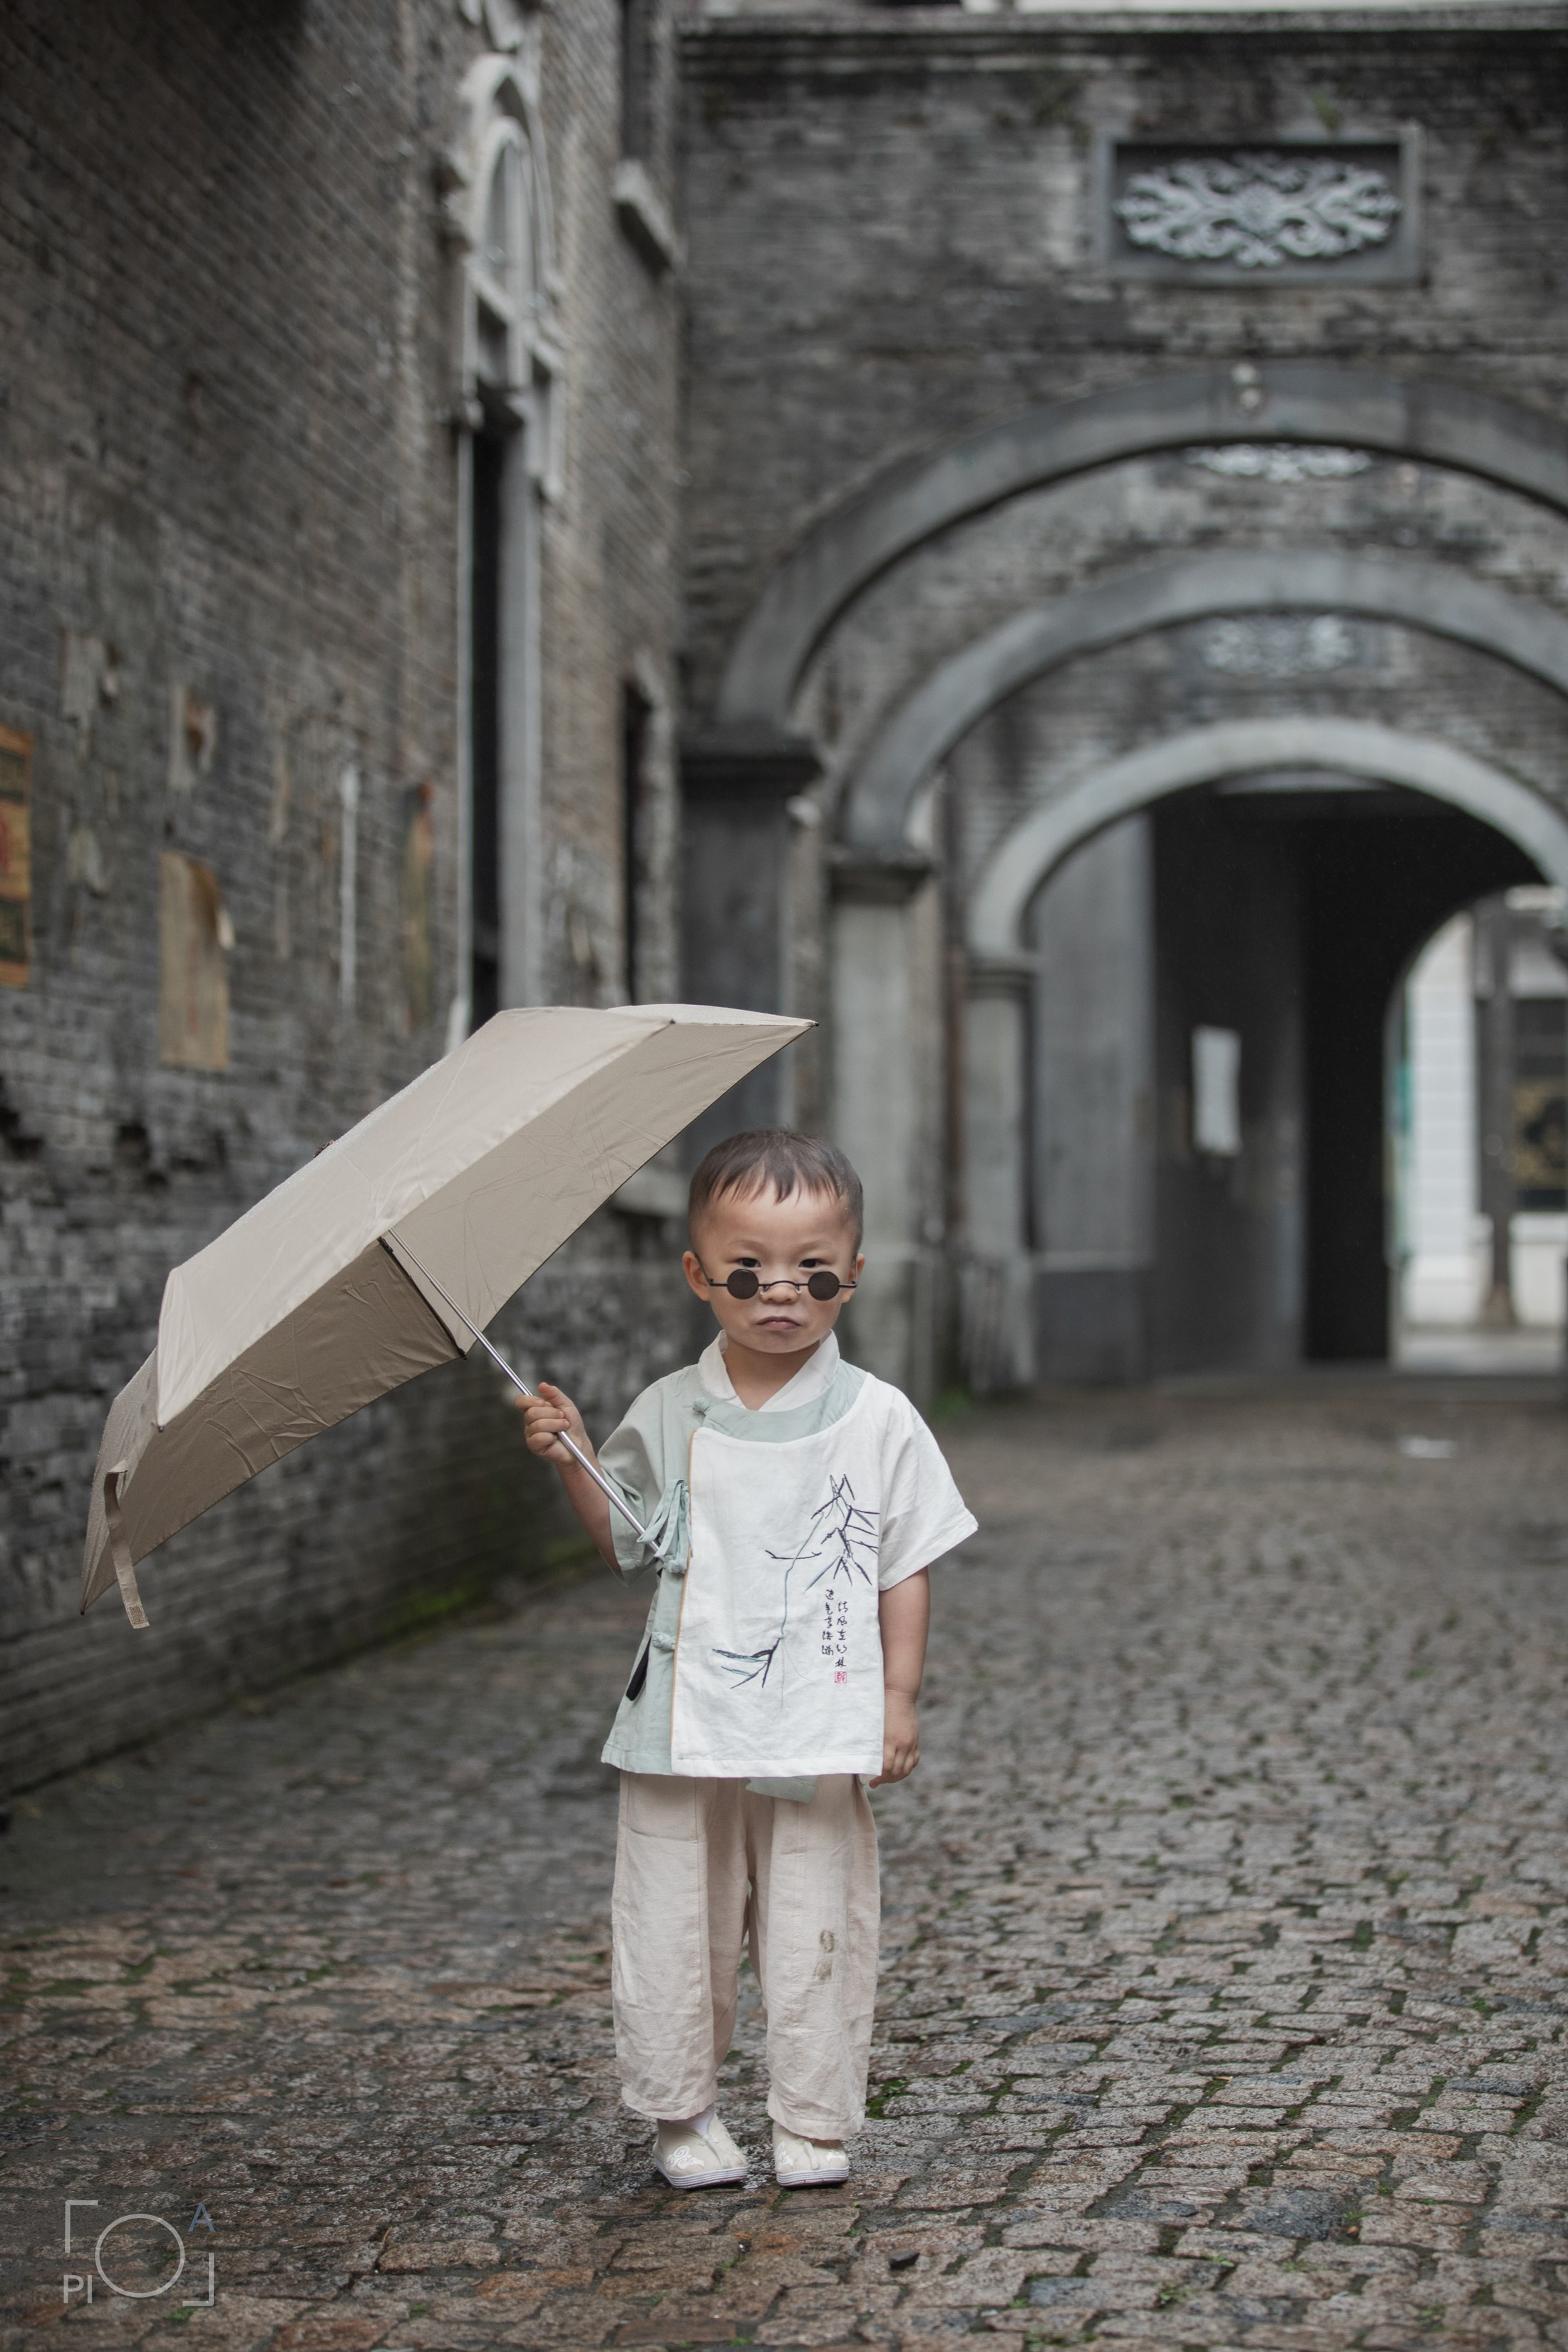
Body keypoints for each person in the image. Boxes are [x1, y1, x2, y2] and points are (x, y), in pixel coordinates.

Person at [520, 1130, 976, 2192]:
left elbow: (902, 1565)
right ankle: (682, 2113)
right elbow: (625, 1541)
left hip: (818, 1719)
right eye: (747, 1269)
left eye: (812, 1270)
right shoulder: (671, 1411)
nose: (781, 1292)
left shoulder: (879, 1418)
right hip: (684, 1719)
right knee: (676, 1915)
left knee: (820, 1917)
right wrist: (576, 1457)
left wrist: (898, 1698)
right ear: (698, 1275)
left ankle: (812, 2117)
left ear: (852, 1274)